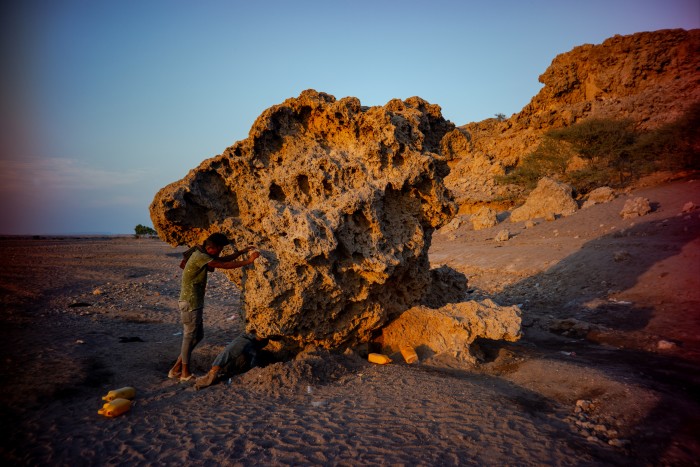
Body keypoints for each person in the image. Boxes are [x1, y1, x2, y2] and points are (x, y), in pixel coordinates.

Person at [168, 233, 260, 382]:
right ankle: (184, 373)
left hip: (195, 302)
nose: (220, 252)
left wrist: (241, 252)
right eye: (220, 249)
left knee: (198, 336)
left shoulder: (203, 253)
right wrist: (248, 261)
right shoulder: (200, 256)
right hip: (190, 302)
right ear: (213, 247)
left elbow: (222, 259)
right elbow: (223, 265)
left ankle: (176, 368)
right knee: (189, 337)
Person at [194, 332, 270, 390]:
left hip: (252, 344)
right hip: (232, 363)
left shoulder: (249, 341)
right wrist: (213, 371)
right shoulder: (242, 343)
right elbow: (227, 353)